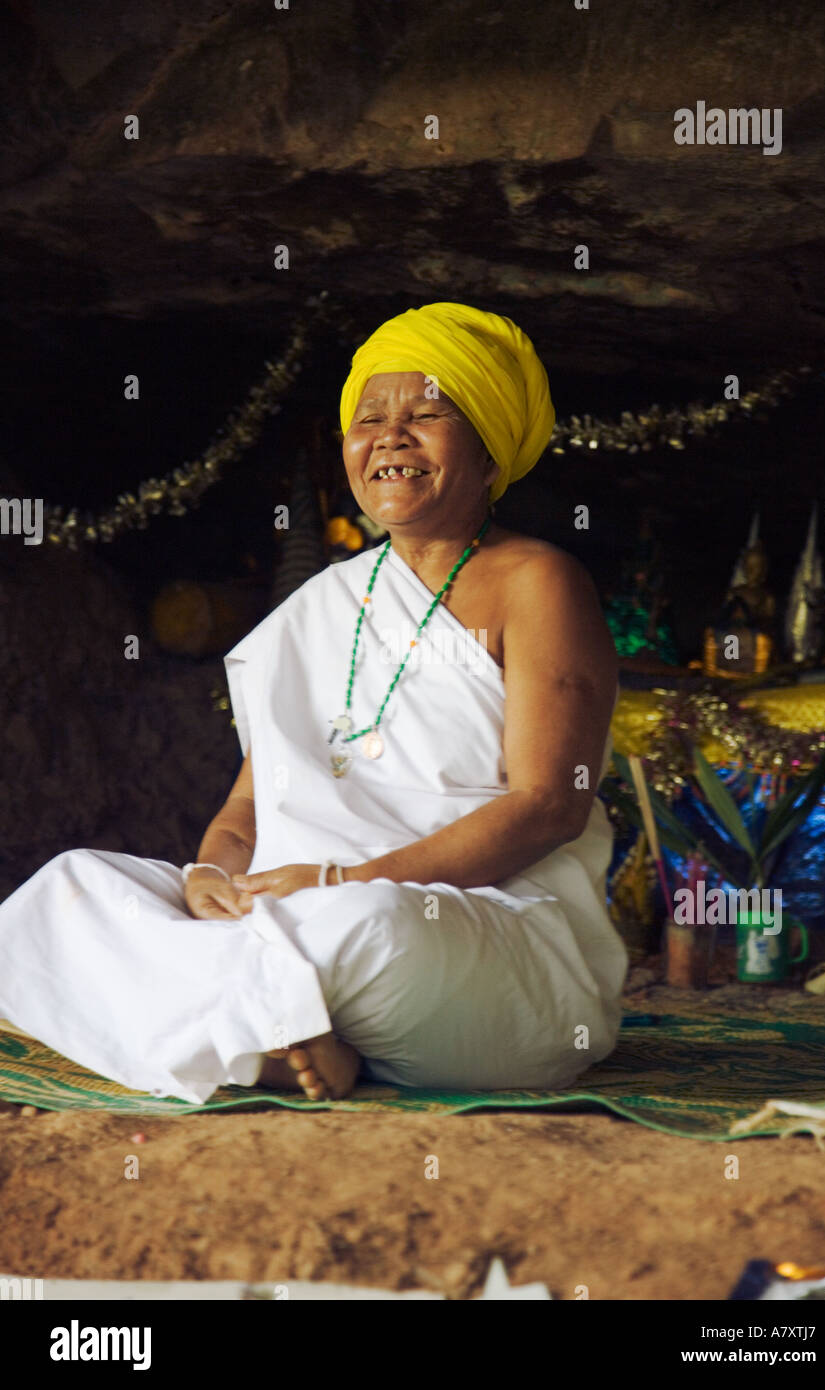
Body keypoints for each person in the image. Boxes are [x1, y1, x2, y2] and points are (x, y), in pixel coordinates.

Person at [0, 302, 627, 1105]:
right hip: (293, 910)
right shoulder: (322, 603)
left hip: (473, 939)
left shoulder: (538, 582)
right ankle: (287, 1034)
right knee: (71, 889)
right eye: (369, 419)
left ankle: (242, 1018)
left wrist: (345, 878)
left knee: (376, 928)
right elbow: (247, 816)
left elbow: (547, 808)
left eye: (427, 414)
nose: (391, 437)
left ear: (488, 451)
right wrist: (208, 880)